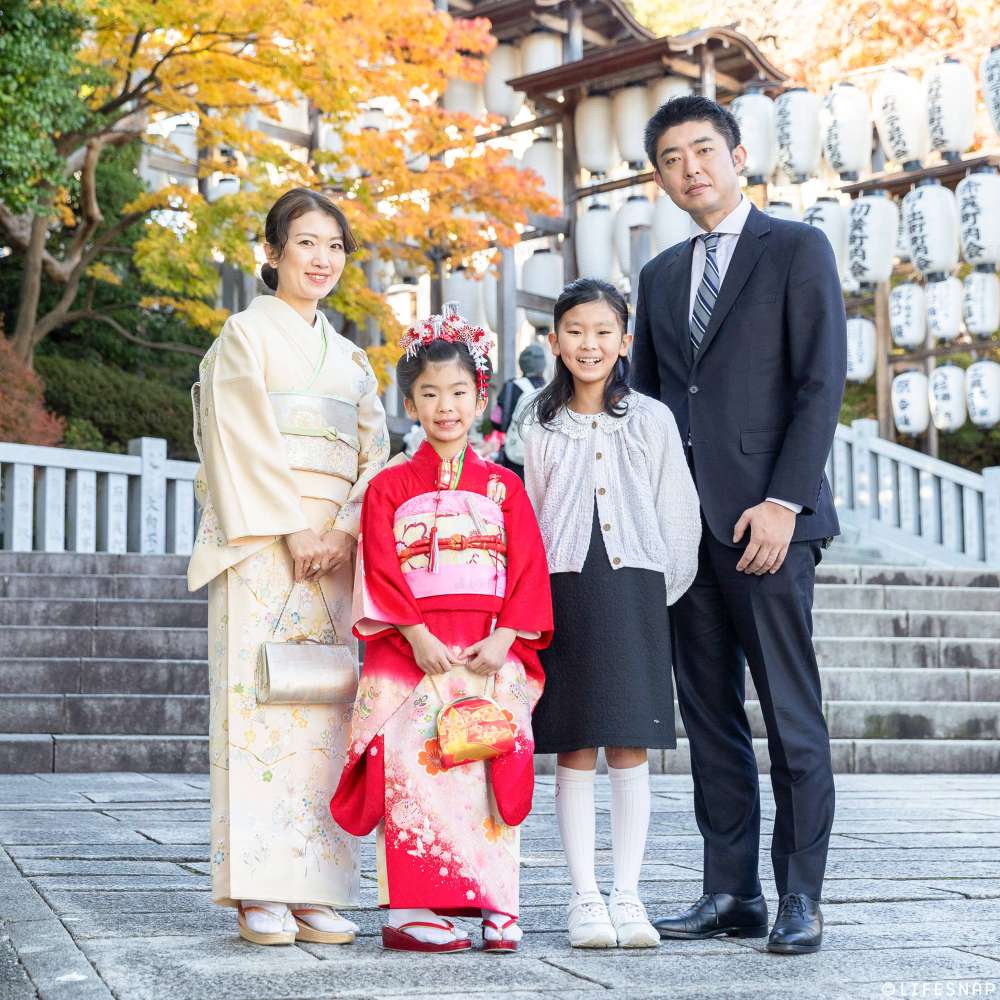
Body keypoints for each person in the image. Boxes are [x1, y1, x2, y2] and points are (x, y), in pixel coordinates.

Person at [630, 95, 846, 955]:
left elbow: (819, 383)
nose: (691, 169)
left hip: (771, 526)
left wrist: (785, 502)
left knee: (791, 712)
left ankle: (801, 895)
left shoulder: (796, 248)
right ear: (661, 178)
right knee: (708, 716)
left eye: (703, 151)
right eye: (673, 159)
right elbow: (645, 406)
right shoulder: (657, 279)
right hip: (684, 534)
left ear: (738, 154)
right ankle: (730, 892)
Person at [188, 187, 390, 946]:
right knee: (261, 713)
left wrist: (341, 527)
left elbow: (374, 451)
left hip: (335, 555)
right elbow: (236, 437)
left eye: (334, 246)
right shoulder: (243, 336)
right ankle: (258, 889)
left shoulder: (350, 357)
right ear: (271, 253)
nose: (322, 259)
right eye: (306, 243)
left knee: (327, 712)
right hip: (265, 548)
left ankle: (316, 885)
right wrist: (297, 527)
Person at [329, 304, 553, 954]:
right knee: (416, 773)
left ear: (481, 397)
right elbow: (379, 566)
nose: (446, 406)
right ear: (410, 401)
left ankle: (497, 905)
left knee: (485, 769)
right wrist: (416, 636)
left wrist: (508, 638)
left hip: (489, 652)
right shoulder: (389, 489)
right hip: (414, 654)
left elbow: (528, 573)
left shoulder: (505, 488)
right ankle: (410, 909)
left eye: (459, 392)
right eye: (430, 394)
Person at [523, 278, 700, 950]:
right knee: (574, 741)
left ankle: (628, 894)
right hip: (563, 587)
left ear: (624, 341)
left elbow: (677, 511)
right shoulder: (536, 425)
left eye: (603, 331)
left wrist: (659, 593)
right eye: (575, 331)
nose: (589, 344)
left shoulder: (653, 418)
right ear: (555, 341)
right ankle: (584, 897)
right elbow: (531, 514)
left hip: (637, 588)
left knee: (631, 741)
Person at [491, 343, 547, 477]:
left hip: (514, 456)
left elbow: (496, 421)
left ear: (522, 364)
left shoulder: (512, 387)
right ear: (543, 365)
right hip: (541, 456)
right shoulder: (550, 389)